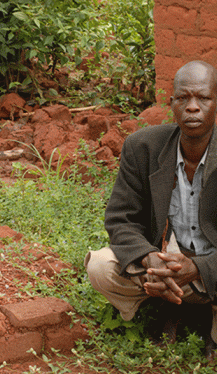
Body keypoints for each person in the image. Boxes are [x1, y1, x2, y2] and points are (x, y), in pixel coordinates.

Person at [84, 60, 217, 360]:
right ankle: (168, 303)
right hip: (162, 268)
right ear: (171, 103)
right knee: (100, 267)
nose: (192, 107)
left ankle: (207, 321)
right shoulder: (142, 147)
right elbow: (120, 219)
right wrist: (149, 256)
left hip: (212, 269)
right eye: (183, 98)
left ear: (216, 102)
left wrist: (198, 268)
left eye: (203, 98)